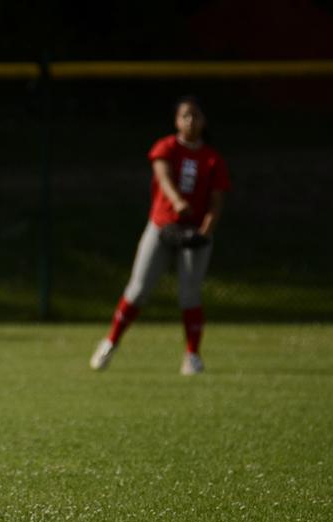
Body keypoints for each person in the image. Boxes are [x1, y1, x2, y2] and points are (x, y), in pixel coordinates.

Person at [90, 96, 230, 375]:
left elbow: (216, 201)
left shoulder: (212, 159)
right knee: (138, 289)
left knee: (189, 294)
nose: (191, 121)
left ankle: (192, 356)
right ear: (176, 121)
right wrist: (178, 202)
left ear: (204, 121)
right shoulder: (166, 147)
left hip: (195, 232)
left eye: (196, 116)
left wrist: (206, 231)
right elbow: (163, 177)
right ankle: (110, 342)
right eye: (185, 116)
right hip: (163, 227)